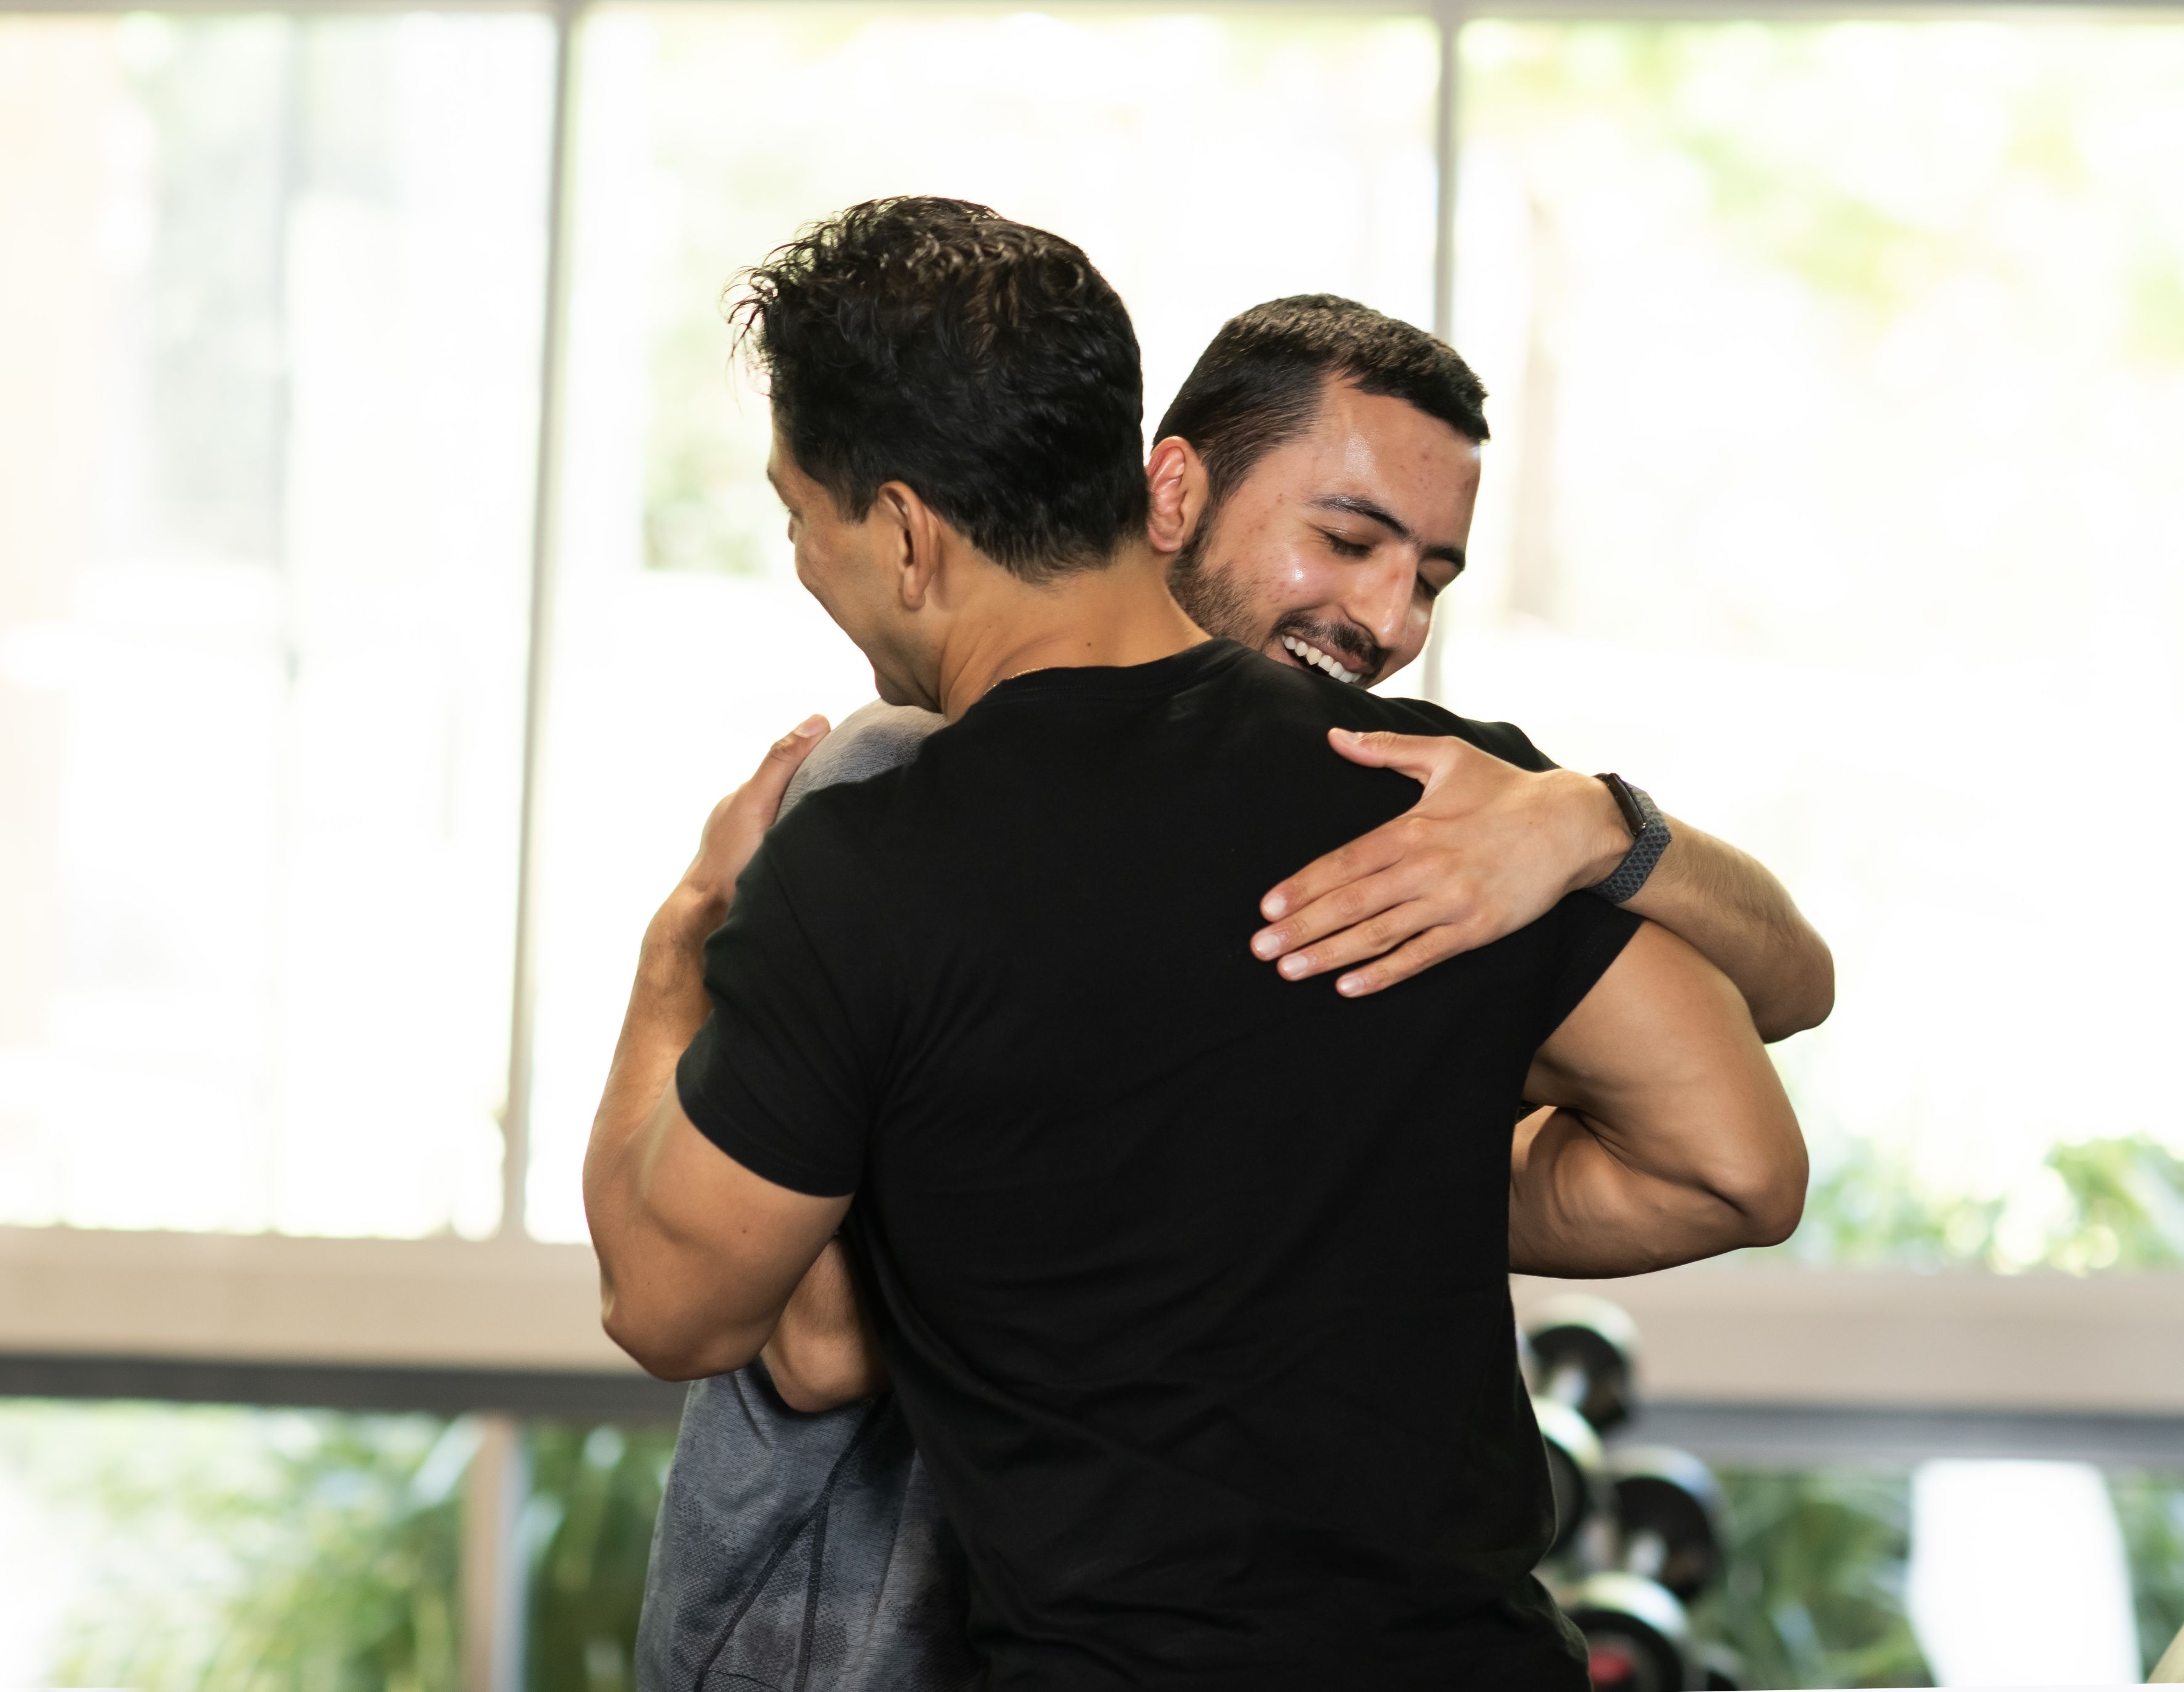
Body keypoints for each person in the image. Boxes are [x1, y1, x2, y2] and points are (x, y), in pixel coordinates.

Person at [588, 197, 1807, 1690]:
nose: (1385, 614)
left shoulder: (868, 849)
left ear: (903, 533)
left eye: (800, 518)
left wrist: (681, 944)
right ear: (1140, 477)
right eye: (1345, 539)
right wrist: (1373, 1180)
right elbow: (1733, 1164)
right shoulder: (1438, 803)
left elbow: (684, 1308)